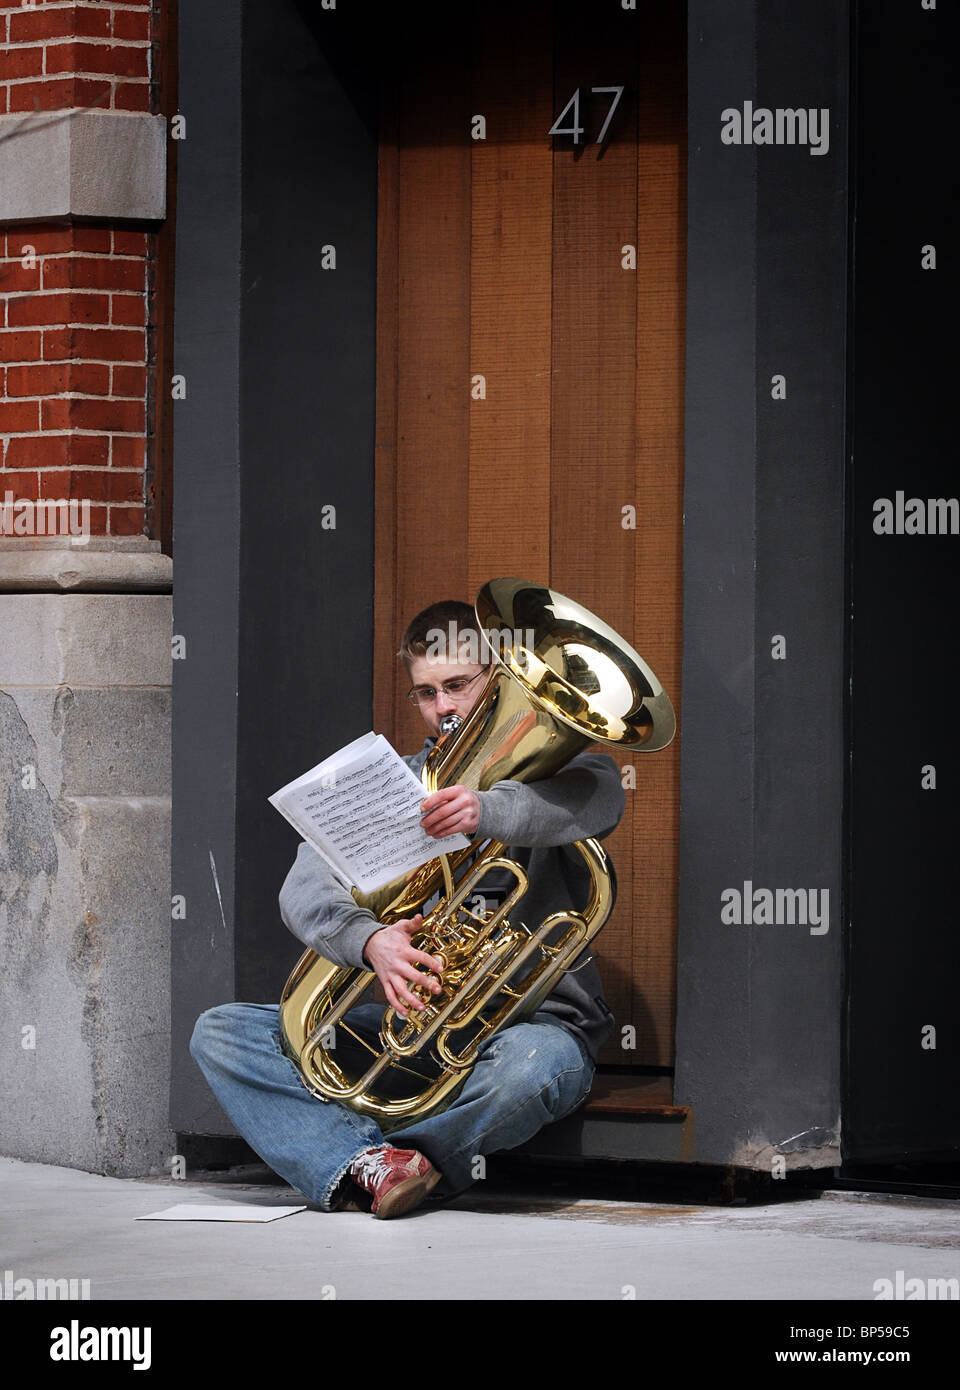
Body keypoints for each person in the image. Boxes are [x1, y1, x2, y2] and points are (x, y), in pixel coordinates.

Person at [190, 599, 624, 1218]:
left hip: (526, 1030)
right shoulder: (391, 782)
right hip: (414, 1034)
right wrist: (372, 944)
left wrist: (488, 809)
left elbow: (604, 797)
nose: (442, 707)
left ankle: (382, 1160)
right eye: (425, 693)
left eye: (456, 686)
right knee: (223, 1033)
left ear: (499, 679)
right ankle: (374, 1163)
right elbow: (303, 889)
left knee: (540, 1069)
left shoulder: (557, 775)